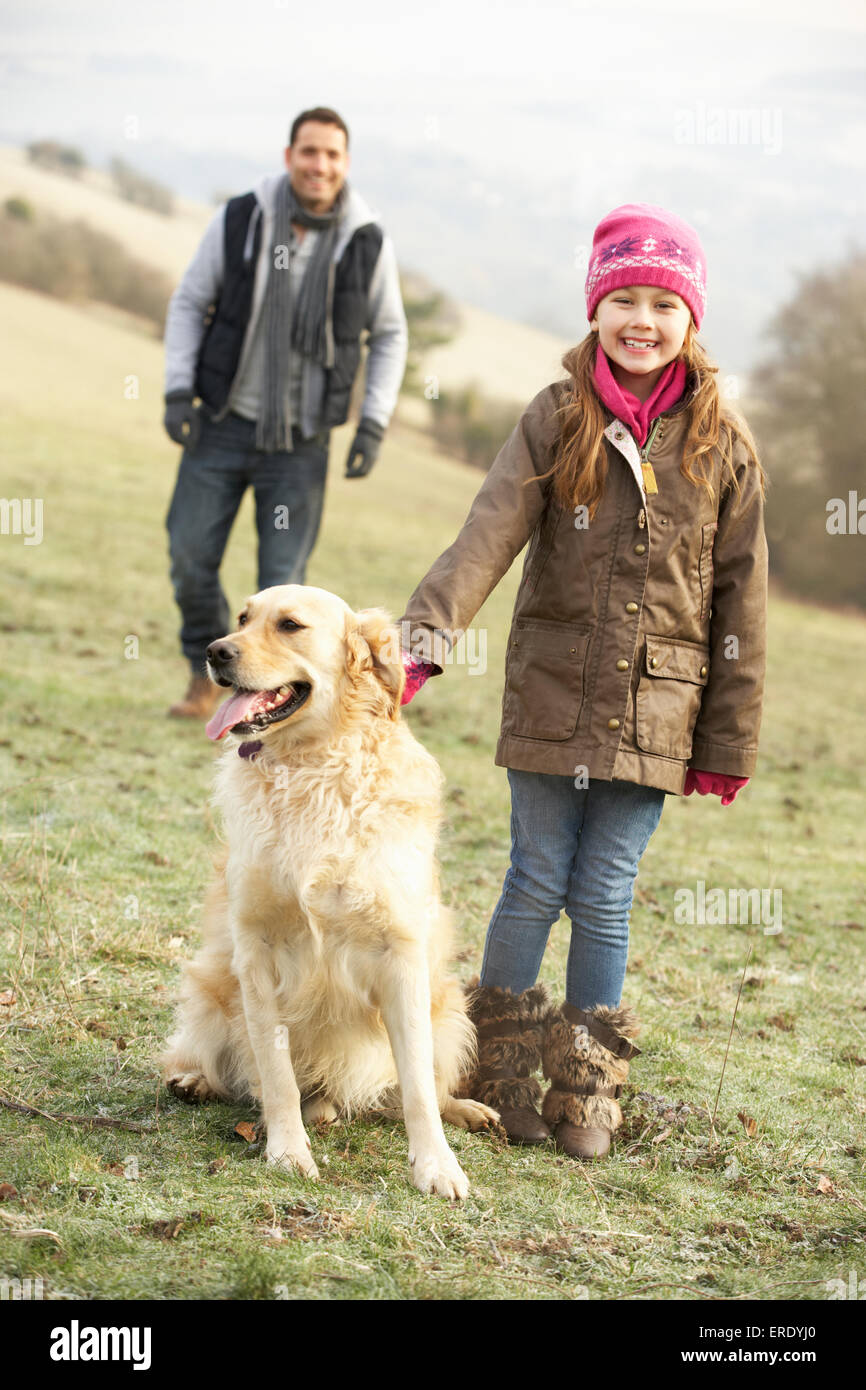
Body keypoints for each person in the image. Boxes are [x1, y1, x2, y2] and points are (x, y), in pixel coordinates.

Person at [398, 204, 768, 1160]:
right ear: (596, 309)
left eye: (662, 303)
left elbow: (742, 605)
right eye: (622, 300)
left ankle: (587, 1092)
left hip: (662, 712)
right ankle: (497, 1076)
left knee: (605, 892)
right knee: (531, 881)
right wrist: (423, 640)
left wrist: (727, 744)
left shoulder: (725, 445)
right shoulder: (558, 417)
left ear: (691, 320)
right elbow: (487, 533)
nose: (641, 320)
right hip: (554, 695)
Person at [163, 106, 408, 718]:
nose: (319, 165)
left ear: (345, 164)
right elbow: (192, 301)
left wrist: (373, 423)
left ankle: (264, 701)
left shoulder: (365, 238)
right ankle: (205, 665)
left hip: (301, 443)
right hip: (222, 423)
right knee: (189, 555)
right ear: (289, 155)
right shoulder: (243, 217)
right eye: (309, 152)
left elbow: (390, 333)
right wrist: (175, 390)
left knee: (283, 585)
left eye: (332, 155)